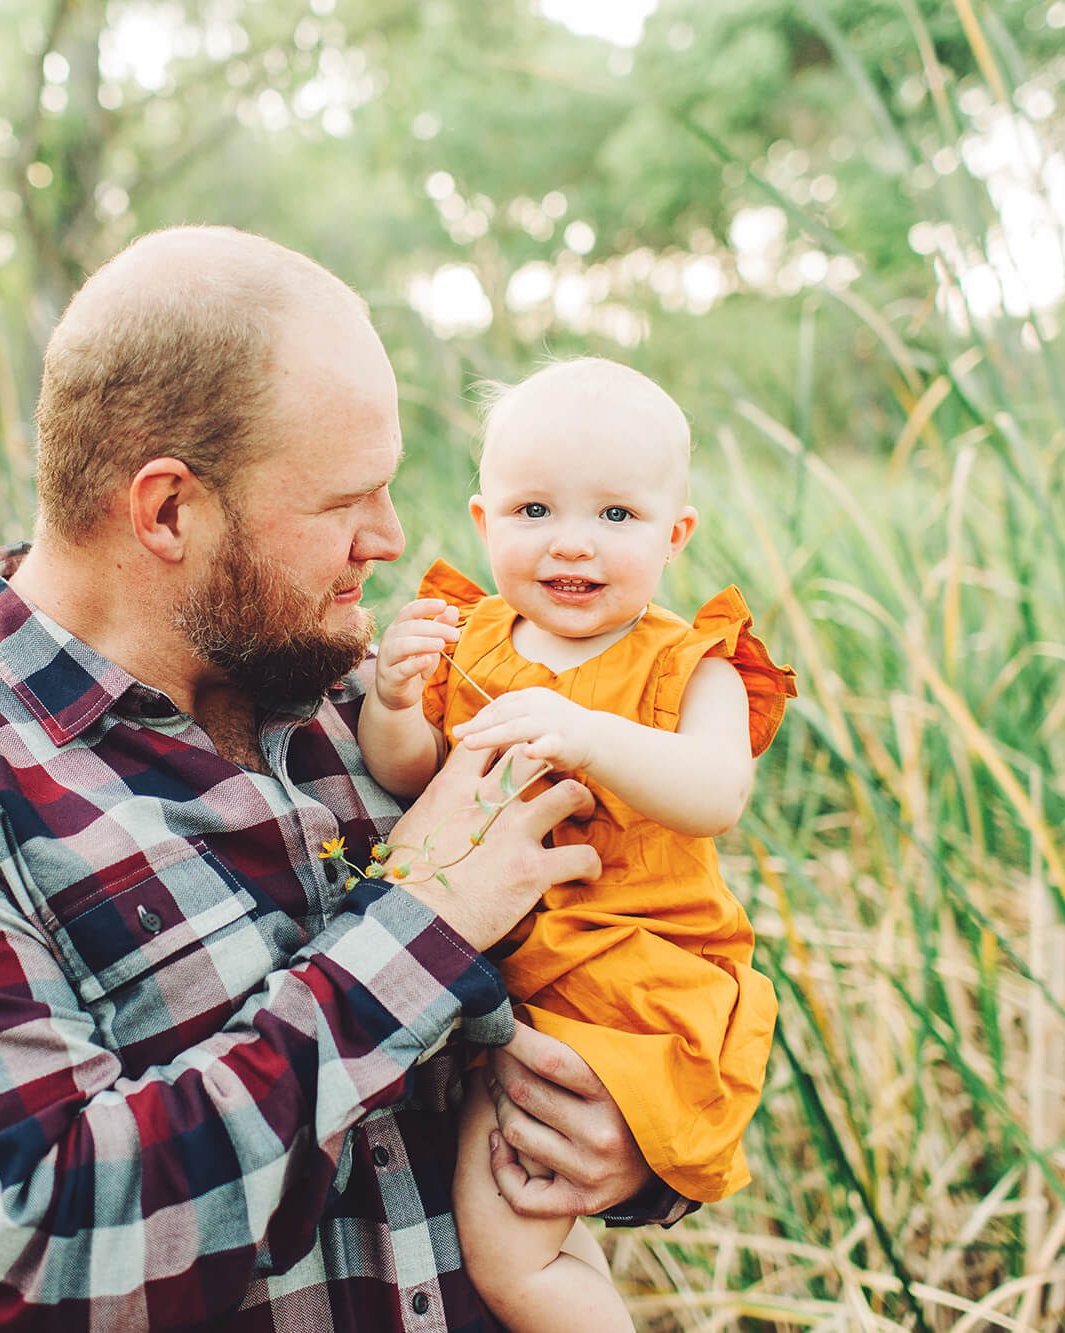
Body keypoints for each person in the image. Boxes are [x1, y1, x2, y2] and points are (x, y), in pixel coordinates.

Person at [0, 229, 694, 1332]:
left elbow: (626, 953)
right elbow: (40, 1271)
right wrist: (423, 919)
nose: (390, 538)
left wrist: (633, 1142)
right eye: (346, 500)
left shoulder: (381, 704)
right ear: (165, 511)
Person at [357, 358, 796, 1333]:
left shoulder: (689, 665)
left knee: (514, 1243)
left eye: (613, 518)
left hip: (630, 976)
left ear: (672, 534)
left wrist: (590, 734)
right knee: (523, 1239)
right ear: (482, 521)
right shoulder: (472, 639)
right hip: (516, 991)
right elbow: (409, 773)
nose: (570, 544)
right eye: (532, 511)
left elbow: (715, 791)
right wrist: (390, 701)